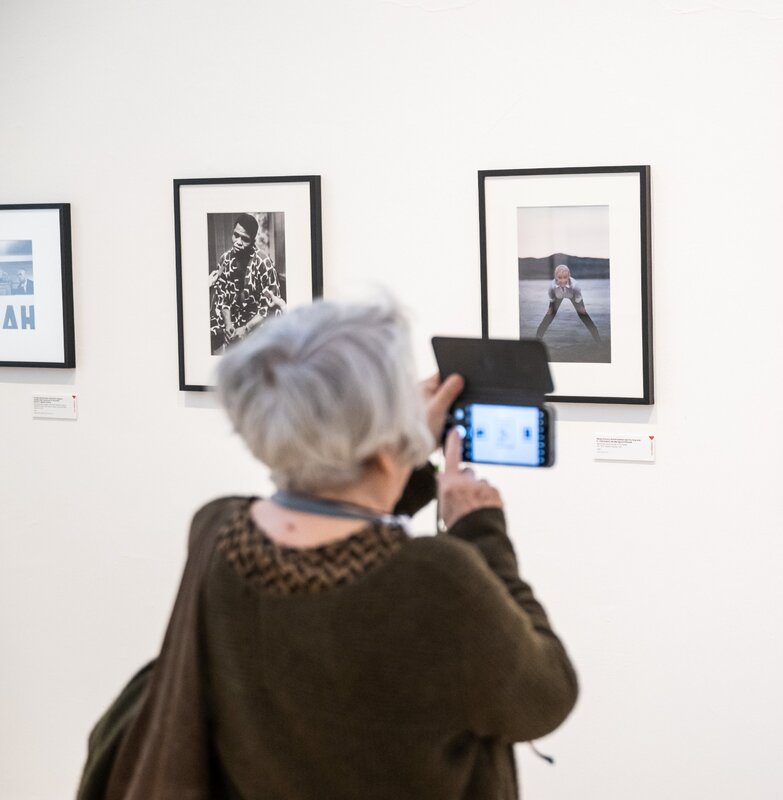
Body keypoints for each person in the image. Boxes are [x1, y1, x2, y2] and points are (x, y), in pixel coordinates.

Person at [100, 299, 578, 799]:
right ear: (379, 444)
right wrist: (479, 528)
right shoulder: (436, 580)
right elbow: (545, 695)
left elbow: (339, 508)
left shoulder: (215, 532)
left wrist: (402, 460)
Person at [209, 213, 284, 353]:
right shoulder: (225, 260)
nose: (238, 242)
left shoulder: (263, 263)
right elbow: (223, 298)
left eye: (244, 239)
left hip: (256, 323)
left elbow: (269, 308)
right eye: (236, 235)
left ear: (253, 240)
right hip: (232, 321)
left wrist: (246, 329)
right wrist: (228, 324)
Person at [535, 264, 601, 343]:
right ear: (555, 277)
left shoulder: (576, 285)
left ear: (569, 275)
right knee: (549, 315)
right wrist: (551, 307)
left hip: (572, 294)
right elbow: (551, 297)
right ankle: (537, 338)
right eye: (559, 278)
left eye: (565, 277)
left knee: (583, 314)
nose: (562, 280)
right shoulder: (552, 286)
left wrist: (581, 307)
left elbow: (578, 297)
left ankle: (598, 339)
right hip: (558, 295)